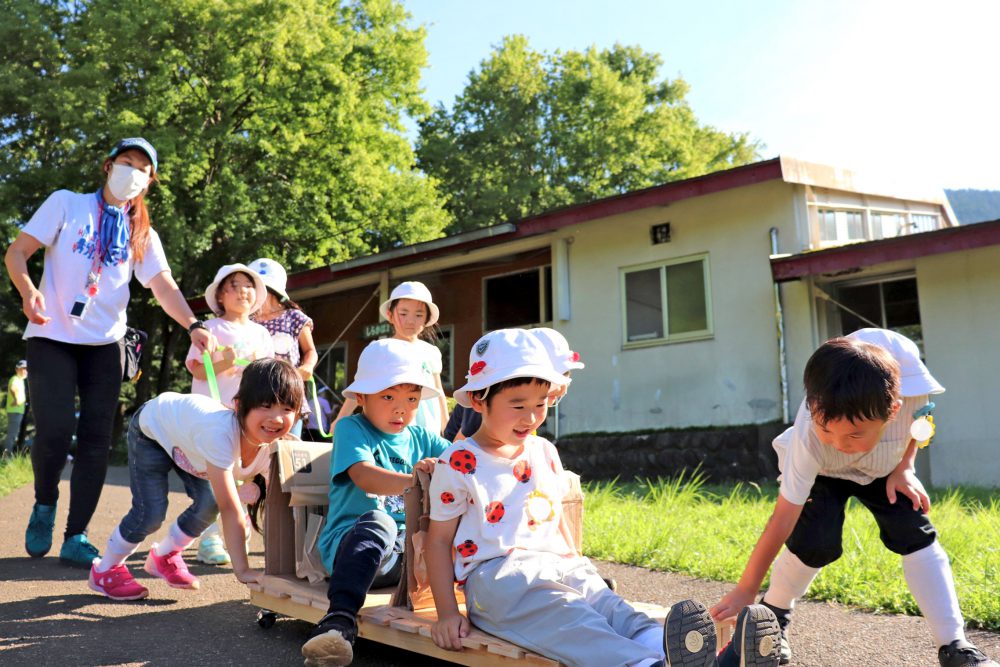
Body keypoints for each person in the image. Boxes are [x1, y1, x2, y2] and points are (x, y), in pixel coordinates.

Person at [710, 329, 998, 667]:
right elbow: (783, 518)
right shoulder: (810, 439)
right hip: (824, 472)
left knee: (913, 530)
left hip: (882, 467)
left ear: (893, 410)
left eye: (854, 433)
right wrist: (746, 588)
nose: (839, 442)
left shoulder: (914, 390)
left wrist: (905, 467)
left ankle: (956, 645)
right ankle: (771, 619)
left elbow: (922, 424)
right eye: (826, 427)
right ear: (813, 407)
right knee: (817, 541)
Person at [4, 137, 216, 567]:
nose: (132, 172)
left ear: (148, 181)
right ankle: (44, 503)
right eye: (126, 162)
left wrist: (193, 324)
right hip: (51, 336)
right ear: (108, 166)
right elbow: (18, 252)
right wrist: (28, 293)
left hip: (106, 345)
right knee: (55, 431)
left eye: (142, 168)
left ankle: (76, 535)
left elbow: (162, 286)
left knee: (97, 441)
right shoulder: (66, 204)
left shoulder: (142, 233)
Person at [87, 358, 302, 600]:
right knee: (150, 513)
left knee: (208, 505)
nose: (276, 418)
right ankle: (105, 569)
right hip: (154, 431)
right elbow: (231, 510)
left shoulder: (274, 449)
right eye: (265, 405)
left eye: (287, 408)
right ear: (239, 406)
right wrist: (242, 569)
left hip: (191, 449)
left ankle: (164, 556)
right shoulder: (220, 435)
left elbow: (285, 508)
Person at [301, 338, 450, 667]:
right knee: (380, 520)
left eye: (412, 399)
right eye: (388, 396)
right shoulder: (352, 428)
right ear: (361, 396)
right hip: (353, 547)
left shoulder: (422, 437)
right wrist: (415, 480)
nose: (401, 408)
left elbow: (463, 460)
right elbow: (364, 475)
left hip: (408, 558)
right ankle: (338, 623)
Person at [186, 263, 275, 566]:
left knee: (242, 475)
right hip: (213, 415)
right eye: (234, 285)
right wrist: (225, 361)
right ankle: (210, 537)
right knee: (214, 477)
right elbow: (197, 369)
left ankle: (237, 529)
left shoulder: (262, 333)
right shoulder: (208, 328)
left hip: (248, 421)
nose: (242, 291)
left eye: (248, 285)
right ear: (220, 295)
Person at [332, 281, 448, 435]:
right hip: (394, 428)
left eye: (419, 315)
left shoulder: (431, 351)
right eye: (403, 313)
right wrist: (341, 418)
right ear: (390, 315)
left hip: (428, 430)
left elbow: (438, 390)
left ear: (427, 319)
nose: (411, 320)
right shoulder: (381, 348)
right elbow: (362, 385)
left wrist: (447, 424)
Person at [249, 257, 318, 439]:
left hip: (287, 392)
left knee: (286, 451)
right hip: (256, 394)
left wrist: (307, 367)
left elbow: (310, 350)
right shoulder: (247, 321)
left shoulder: (294, 316)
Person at [4, 360, 28, 454]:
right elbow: (13, 388)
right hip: (15, 411)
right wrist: (16, 399)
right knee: (12, 435)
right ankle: (6, 457)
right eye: (23, 369)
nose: (25, 371)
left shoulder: (21, 380)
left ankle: (7, 455)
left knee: (13, 435)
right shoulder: (15, 379)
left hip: (18, 411)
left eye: (26, 369)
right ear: (17, 369)